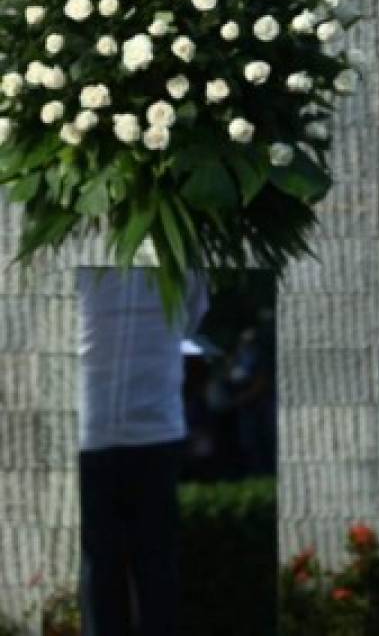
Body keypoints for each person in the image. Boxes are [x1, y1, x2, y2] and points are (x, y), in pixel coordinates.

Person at [77, 267, 209, 636]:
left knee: (101, 566)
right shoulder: (180, 249)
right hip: (154, 425)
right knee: (156, 565)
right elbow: (190, 319)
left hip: (94, 424)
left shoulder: (78, 250)